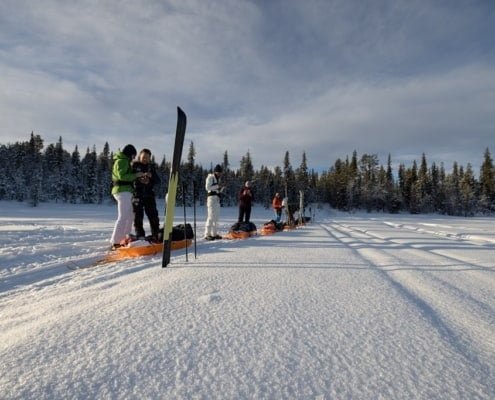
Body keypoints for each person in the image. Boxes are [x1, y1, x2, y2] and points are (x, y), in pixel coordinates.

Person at [110, 144, 148, 250]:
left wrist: (138, 176)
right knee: (123, 216)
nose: (133, 158)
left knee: (131, 215)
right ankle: (116, 241)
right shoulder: (122, 161)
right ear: (129, 154)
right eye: (133, 155)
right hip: (122, 191)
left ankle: (124, 237)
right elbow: (122, 176)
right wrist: (136, 175)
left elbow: (126, 175)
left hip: (126, 191)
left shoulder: (124, 161)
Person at [132, 148, 160, 242]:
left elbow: (158, 181)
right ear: (139, 157)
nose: (145, 159)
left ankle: (156, 234)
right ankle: (140, 235)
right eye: (143, 157)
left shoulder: (151, 167)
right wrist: (138, 177)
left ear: (149, 158)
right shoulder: (134, 166)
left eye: (147, 157)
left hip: (149, 195)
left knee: (153, 216)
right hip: (137, 194)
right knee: (138, 216)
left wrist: (151, 176)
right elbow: (128, 178)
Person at [204, 164, 223, 240]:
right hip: (211, 198)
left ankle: (214, 234)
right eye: (219, 172)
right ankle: (207, 234)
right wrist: (218, 186)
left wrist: (221, 188)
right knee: (211, 217)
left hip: (217, 198)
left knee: (216, 217)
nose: (220, 174)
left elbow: (218, 190)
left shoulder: (218, 179)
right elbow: (207, 187)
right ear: (215, 171)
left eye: (220, 172)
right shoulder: (210, 177)